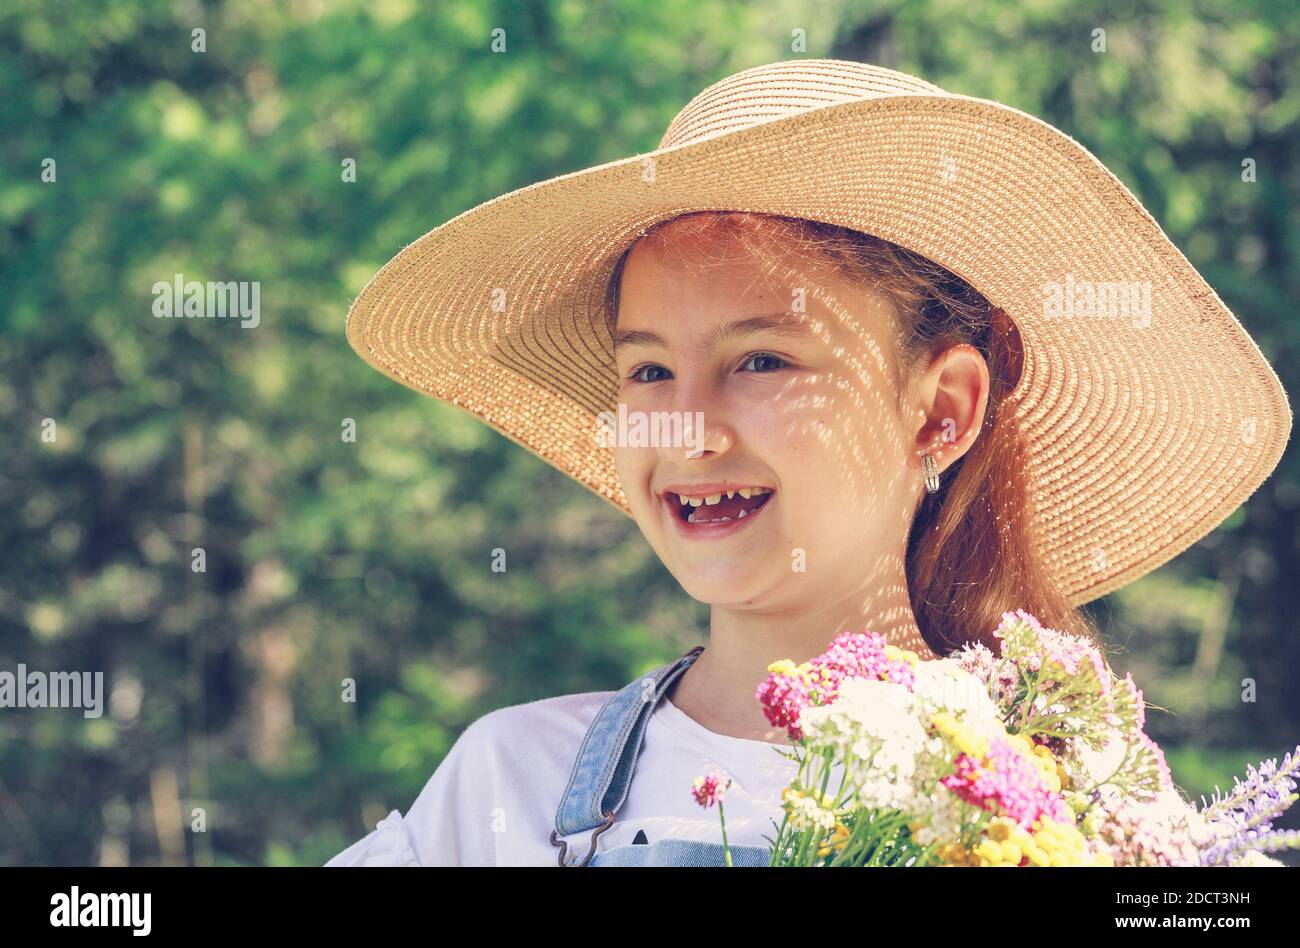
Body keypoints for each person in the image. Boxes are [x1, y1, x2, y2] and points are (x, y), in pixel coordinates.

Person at [325, 59, 1291, 866]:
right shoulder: (508, 790)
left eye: (761, 361)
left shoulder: (1073, 804)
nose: (687, 430)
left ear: (941, 411)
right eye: (650, 370)